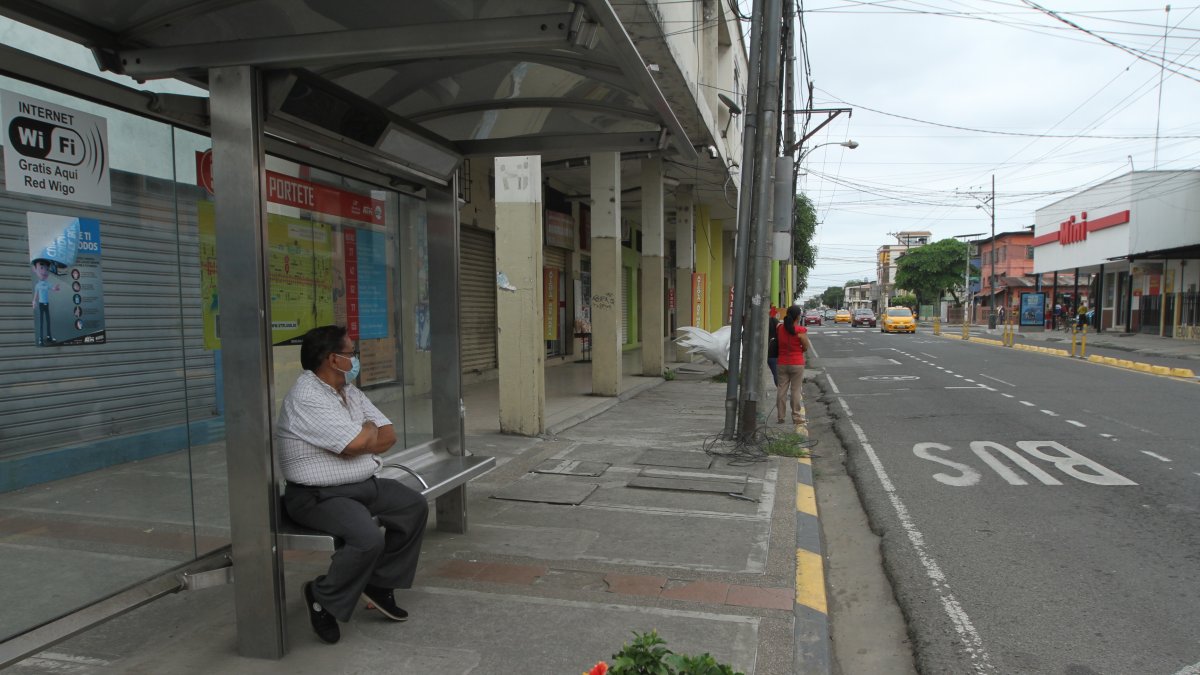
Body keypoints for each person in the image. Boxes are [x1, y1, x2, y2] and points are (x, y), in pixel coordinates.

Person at [276, 325, 429, 645]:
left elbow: (388, 436)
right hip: (317, 495)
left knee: (412, 506)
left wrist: (364, 436)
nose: (355, 359)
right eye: (350, 353)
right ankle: (321, 596)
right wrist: (365, 431)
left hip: (360, 483)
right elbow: (357, 442)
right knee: (366, 539)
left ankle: (378, 583)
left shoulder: (348, 391)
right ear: (333, 359)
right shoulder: (307, 396)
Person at [775, 305, 814, 427]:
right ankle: (796, 416)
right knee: (795, 390)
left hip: (782, 362)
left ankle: (781, 416)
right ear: (798, 316)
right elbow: (806, 346)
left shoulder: (780, 328)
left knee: (781, 389)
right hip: (796, 362)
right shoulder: (800, 330)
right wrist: (799, 351)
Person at [31, 259, 60, 345]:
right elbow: (36, 294)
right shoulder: (37, 285)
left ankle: (49, 337)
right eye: (42, 267)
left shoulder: (47, 283)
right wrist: (34, 301)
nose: (44, 271)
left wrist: (56, 288)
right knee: (41, 322)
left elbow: (53, 288)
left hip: (46, 304)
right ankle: (40, 338)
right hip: (41, 305)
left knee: (48, 321)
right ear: (34, 269)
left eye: (47, 269)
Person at [767, 306, 780, 386]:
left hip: (767, 351)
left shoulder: (760, 321)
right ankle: (781, 390)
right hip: (773, 351)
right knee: (776, 373)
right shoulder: (774, 321)